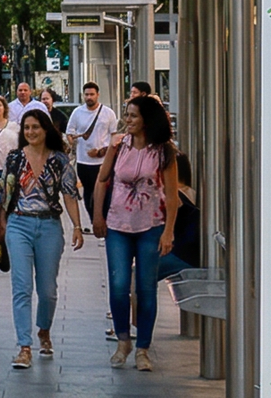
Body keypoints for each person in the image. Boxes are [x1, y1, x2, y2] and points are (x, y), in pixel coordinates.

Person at [93, 91, 179, 370]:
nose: (127, 120)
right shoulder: (118, 146)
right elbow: (102, 179)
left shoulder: (164, 151)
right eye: (126, 115)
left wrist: (169, 232)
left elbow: (172, 194)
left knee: (145, 288)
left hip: (151, 226)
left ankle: (143, 348)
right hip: (118, 224)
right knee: (118, 286)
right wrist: (97, 216)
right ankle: (122, 340)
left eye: (132, 115)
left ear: (146, 120)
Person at [0, 105, 84, 369]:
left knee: (47, 291)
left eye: (36, 127)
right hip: (19, 225)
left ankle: (43, 329)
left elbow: (69, 194)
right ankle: (24, 346)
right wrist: (0, 220)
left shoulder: (59, 160)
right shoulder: (14, 159)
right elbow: (3, 194)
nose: (31, 132)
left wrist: (78, 227)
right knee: (22, 288)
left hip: (49, 226)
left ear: (46, 130)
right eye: (27, 128)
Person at [67, 82, 119, 225]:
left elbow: (114, 137)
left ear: (98, 95)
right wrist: (74, 143)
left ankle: (104, 221)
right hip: (84, 162)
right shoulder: (77, 112)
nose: (89, 97)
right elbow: (70, 133)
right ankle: (94, 221)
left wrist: (102, 151)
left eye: (91, 94)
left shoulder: (108, 113)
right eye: (86, 95)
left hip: (103, 162)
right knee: (89, 193)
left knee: (104, 193)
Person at [156, 151, 200, 279]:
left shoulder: (173, 196)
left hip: (180, 255)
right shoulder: (191, 192)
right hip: (190, 255)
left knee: (139, 273)